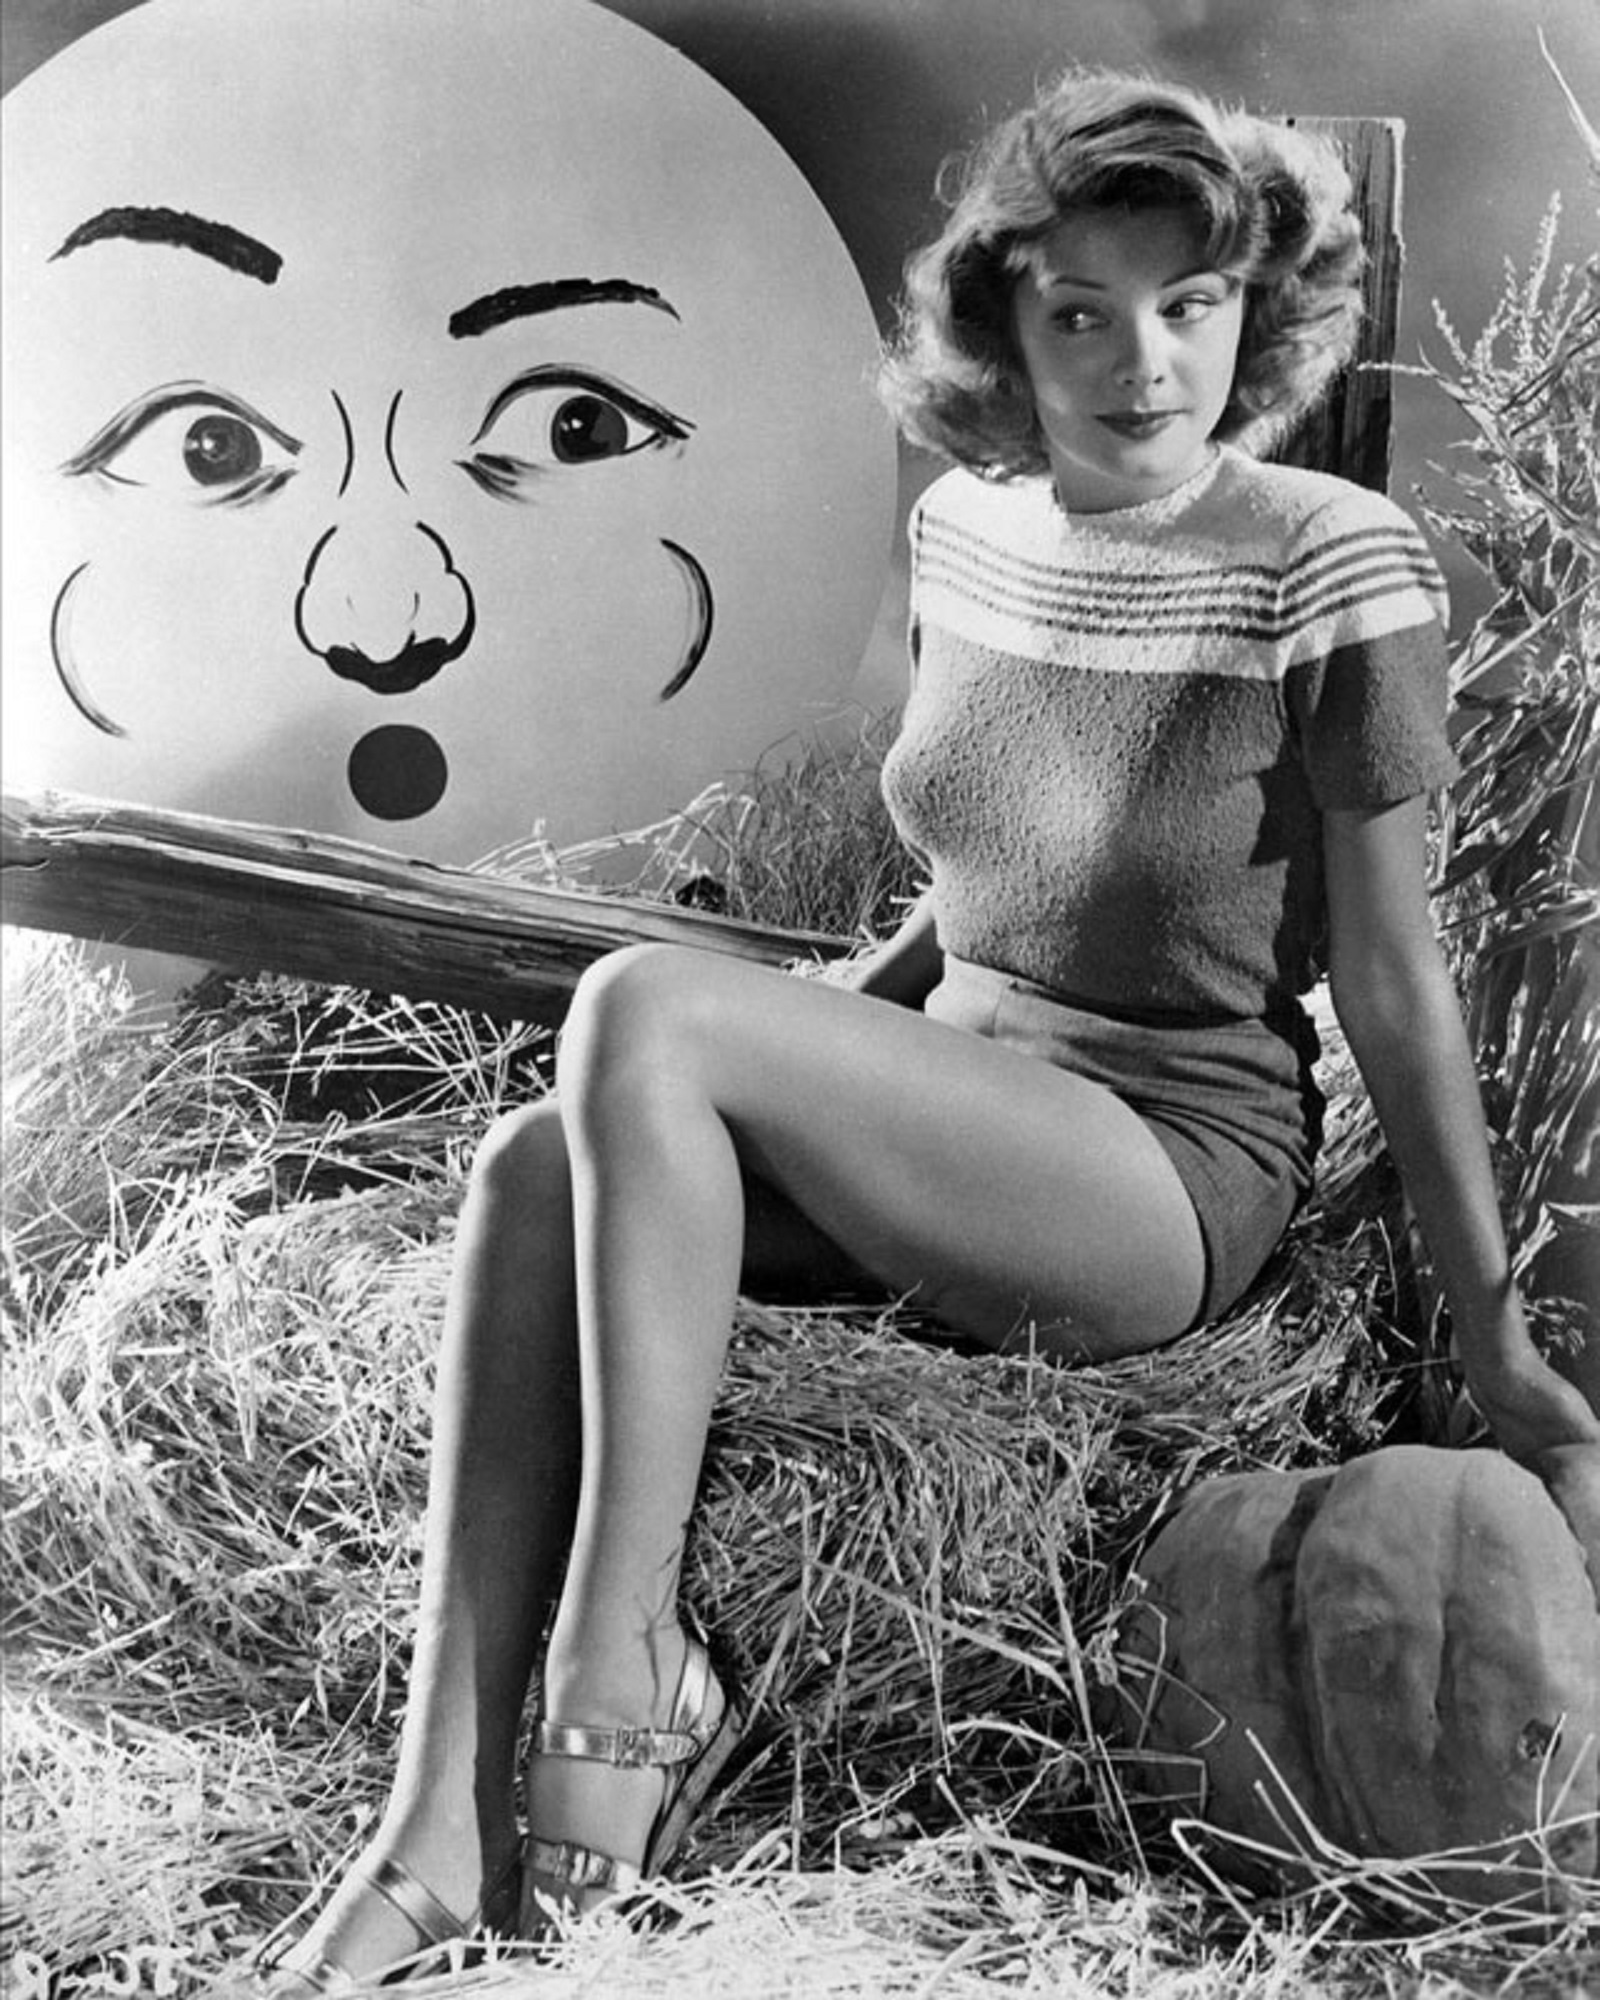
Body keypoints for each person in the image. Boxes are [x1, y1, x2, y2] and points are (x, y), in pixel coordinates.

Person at [238, 66, 1600, 1990]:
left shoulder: (1329, 562)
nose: (1146, 364)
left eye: (1191, 306)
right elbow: (967, 895)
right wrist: (757, 1062)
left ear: (1256, 313)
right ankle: (435, 1827)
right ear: (1004, 331)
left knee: (640, 1012)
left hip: (1157, 1172)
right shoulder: (968, 527)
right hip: (963, 1094)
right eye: (1084, 314)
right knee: (539, 1164)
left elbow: (1391, 979)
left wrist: (1495, 1333)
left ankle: (625, 1672)